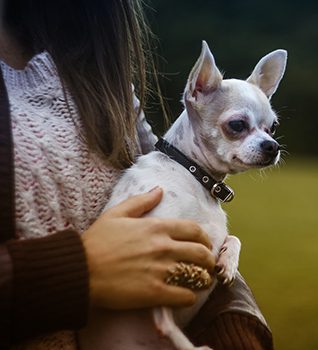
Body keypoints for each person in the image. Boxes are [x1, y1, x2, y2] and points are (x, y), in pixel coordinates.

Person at [0, 0, 273, 349]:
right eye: (238, 126)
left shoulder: (95, 68)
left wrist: (236, 329)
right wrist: (77, 270)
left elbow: (190, 226)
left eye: (270, 129)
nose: (267, 142)